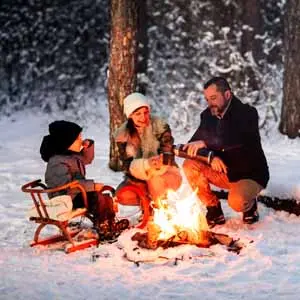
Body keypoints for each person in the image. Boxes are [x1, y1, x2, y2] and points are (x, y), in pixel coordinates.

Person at [182, 77, 269, 228]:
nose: (210, 103)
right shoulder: (207, 115)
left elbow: (235, 139)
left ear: (227, 95)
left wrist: (206, 143)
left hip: (249, 175)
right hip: (223, 172)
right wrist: (211, 156)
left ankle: (250, 204)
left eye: (214, 98)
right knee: (189, 164)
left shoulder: (247, 113)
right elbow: (194, 144)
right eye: (207, 99)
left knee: (236, 202)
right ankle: (213, 208)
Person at [39, 120, 129, 240]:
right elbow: (67, 185)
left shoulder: (71, 155)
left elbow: (87, 159)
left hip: (75, 194)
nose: (81, 140)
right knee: (98, 198)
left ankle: (109, 223)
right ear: (66, 142)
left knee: (104, 197)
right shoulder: (57, 162)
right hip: (64, 198)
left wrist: (89, 145)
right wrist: (92, 185)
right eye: (78, 139)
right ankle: (104, 228)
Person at [114, 92, 182, 209]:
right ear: (130, 115)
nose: (143, 117)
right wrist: (146, 165)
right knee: (123, 195)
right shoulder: (122, 134)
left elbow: (168, 151)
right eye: (138, 114)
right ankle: (147, 207)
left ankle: (161, 209)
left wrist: (160, 161)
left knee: (154, 179)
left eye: (146, 113)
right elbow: (127, 164)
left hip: (165, 173)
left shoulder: (160, 126)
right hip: (139, 176)